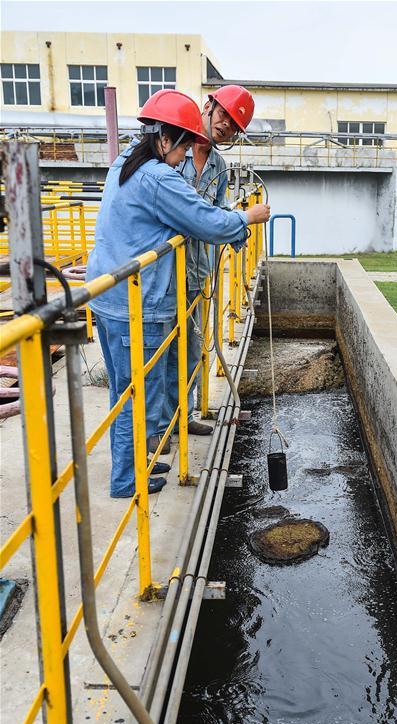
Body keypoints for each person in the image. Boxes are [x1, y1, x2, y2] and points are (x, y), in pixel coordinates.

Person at [86, 89, 270, 498]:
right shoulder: (158, 176)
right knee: (139, 394)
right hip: (144, 299)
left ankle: (137, 462)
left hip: (113, 295)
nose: (186, 152)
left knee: (129, 392)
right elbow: (207, 220)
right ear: (165, 140)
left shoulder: (125, 162)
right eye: (183, 144)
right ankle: (127, 480)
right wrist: (247, 217)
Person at [157, 85, 256, 450]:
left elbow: (216, 211)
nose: (226, 126)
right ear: (209, 105)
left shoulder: (219, 167)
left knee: (192, 348)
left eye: (234, 125)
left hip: (198, 271)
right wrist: (235, 220)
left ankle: (182, 418)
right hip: (163, 273)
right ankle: (159, 428)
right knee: (161, 350)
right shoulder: (168, 153)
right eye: (225, 115)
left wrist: (237, 230)